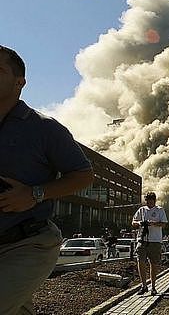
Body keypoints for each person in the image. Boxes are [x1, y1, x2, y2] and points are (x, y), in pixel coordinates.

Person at [0, 45, 94, 315]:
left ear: (20, 82)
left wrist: (35, 193)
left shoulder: (44, 128)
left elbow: (84, 175)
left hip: (27, 243)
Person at [132, 191, 168, 295]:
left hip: (155, 241)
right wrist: (140, 223)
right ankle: (143, 285)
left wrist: (154, 223)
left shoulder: (160, 210)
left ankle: (153, 286)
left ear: (154, 200)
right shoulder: (141, 210)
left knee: (154, 264)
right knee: (140, 261)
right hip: (142, 240)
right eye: (147, 200)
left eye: (151, 200)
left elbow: (164, 224)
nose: (149, 202)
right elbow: (133, 222)